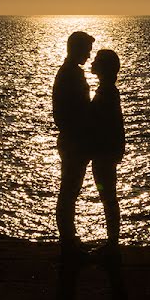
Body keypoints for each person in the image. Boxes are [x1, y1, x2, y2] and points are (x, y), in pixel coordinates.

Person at [53, 31, 94, 258]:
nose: (88, 55)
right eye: (86, 49)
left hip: (72, 139)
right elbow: (75, 110)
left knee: (69, 192)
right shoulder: (71, 74)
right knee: (69, 192)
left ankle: (69, 238)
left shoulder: (68, 72)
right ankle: (68, 242)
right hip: (73, 140)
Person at [88, 49, 125, 257]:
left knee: (107, 195)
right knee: (108, 195)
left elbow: (105, 122)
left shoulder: (107, 92)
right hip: (106, 152)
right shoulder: (107, 90)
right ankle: (112, 242)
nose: (93, 63)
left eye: (97, 61)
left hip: (104, 154)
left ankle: (112, 243)